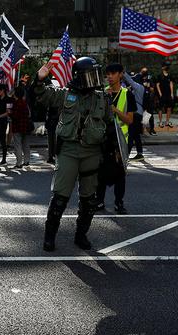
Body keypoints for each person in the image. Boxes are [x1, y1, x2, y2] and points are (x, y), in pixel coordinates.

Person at [32, 57, 112, 252]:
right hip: (69, 150)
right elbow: (41, 95)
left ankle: (81, 235)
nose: (94, 79)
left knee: (89, 199)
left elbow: (110, 126)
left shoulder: (102, 98)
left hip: (92, 152)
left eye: (96, 74)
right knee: (60, 197)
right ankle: (49, 237)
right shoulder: (65, 95)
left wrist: (112, 155)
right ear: (79, 77)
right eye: (89, 75)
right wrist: (39, 79)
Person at [97, 63, 135, 214]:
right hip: (103, 140)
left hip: (120, 141)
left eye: (113, 73)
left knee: (120, 173)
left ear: (121, 74)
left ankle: (119, 203)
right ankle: (99, 201)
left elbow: (129, 120)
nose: (110, 77)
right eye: (108, 74)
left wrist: (114, 110)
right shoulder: (102, 93)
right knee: (100, 172)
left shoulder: (127, 94)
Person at [123, 70, 145, 161]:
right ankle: (140, 154)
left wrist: (123, 72)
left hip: (135, 113)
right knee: (136, 134)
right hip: (138, 113)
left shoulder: (139, 87)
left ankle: (126, 155)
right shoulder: (138, 88)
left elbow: (131, 82)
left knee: (131, 134)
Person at [10, 85, 32, 168]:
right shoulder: (24, 103)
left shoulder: (16, 103)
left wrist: (10, 113)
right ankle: (27, 160)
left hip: (17, 126)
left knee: (18, 145)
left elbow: (15, 116)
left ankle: (19, 162)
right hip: (25, 126)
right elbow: (29, 114)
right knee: (25, 144)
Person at [156, 61, 174, 128]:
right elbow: (157, 85)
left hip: (168, 94)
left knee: (169, 108)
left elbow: (171, 84)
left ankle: (167, 121)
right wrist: (160, 93)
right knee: (160, 108)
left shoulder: (170, 75)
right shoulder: (159, 75)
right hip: (162, 94)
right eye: (166, 66)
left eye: (168, 66)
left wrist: (172, 93)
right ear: (163, 67)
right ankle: (160, 122)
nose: (167, 67)